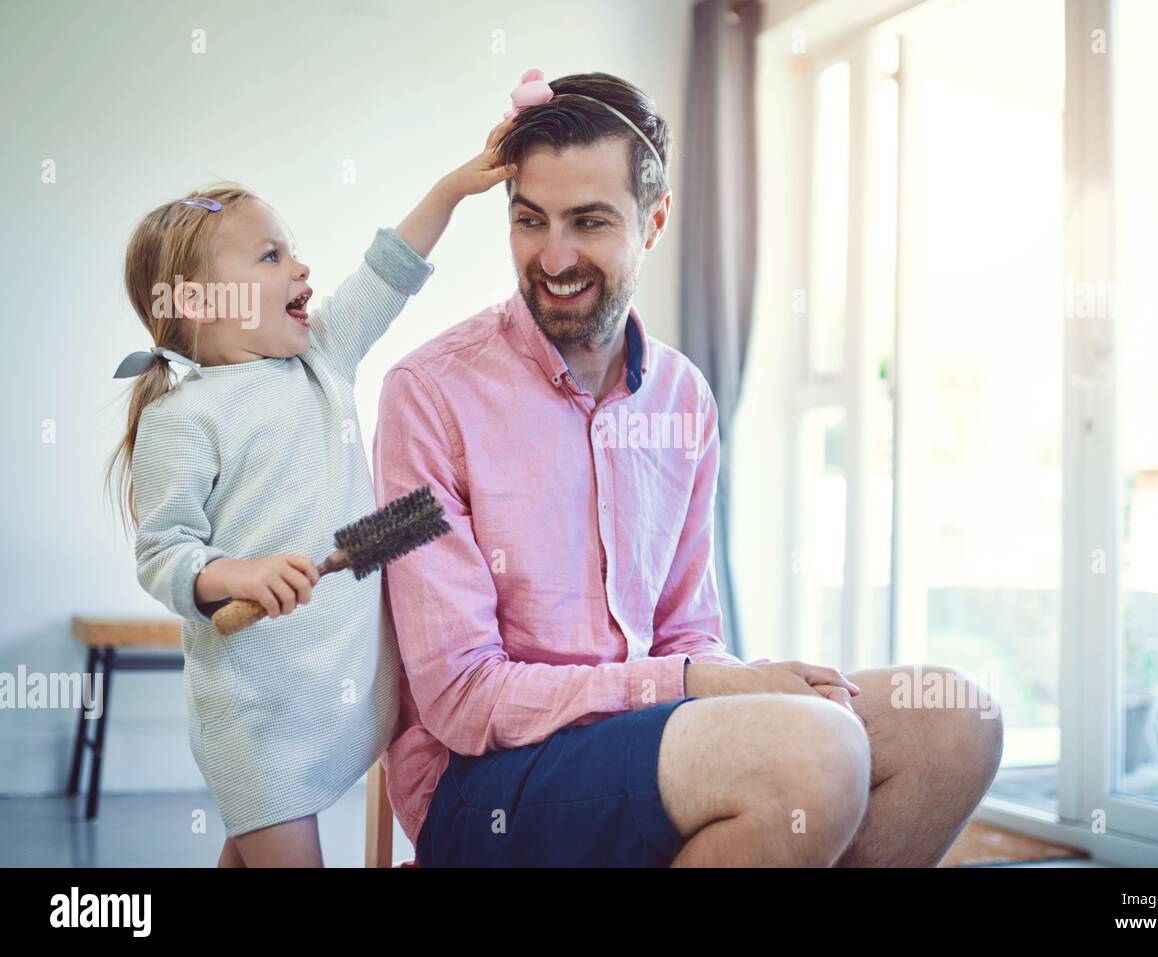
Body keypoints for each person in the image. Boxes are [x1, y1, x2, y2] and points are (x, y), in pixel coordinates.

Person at [375, 71, 1004, 867]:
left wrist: (710, 682)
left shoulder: (682, 397)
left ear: (654, 220)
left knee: (954, 723)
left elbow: (686, 632)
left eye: (590, 221)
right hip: (484, 783)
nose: (554, 255)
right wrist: (693, 687)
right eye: (530, 220)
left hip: (643, 742)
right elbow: (463, 698)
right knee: (814, 757)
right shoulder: (428, 394)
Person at [106, 119, 519, 866]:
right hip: (258, 715)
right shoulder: (183, 416)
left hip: (336, 690)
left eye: (293, 250)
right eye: (272, 255)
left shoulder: (321, 358)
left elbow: (386, 271)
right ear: (200, 302)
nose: (302, 268)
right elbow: (164, 552)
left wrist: (456, 188)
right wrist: (238, 573)